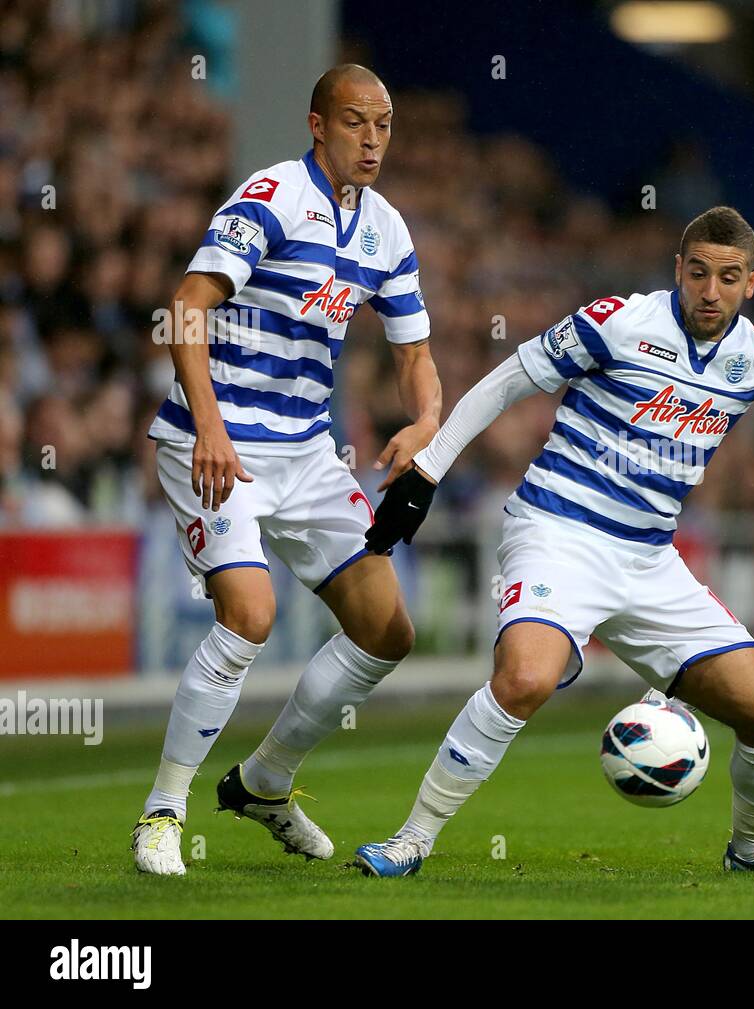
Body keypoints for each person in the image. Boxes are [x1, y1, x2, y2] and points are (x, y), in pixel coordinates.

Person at [352, 206, 754, 877]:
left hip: (647, 559)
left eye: (728, 278)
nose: (710, 290)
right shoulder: (618, 321)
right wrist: (430, 468)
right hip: (559, 532)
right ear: (678, 269)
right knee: (525, 676)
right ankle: (412, 839)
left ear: (750, 283)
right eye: (697, 273)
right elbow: (509, 379)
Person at [132, 65, 441, 876]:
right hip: (216, 439)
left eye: (384, 123)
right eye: (354, 122)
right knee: (250, 613)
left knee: (387, 630)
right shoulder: (271, 197)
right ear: (316, 126)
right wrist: (208, 427)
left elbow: (414, 353)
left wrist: (428, 420)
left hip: (304, 452)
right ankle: (162, 811)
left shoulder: (387, 231)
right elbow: (186, 306)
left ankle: (266, 781)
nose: (372, 139)